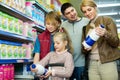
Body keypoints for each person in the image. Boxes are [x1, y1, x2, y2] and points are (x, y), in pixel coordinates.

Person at [80, 0, 120, 80]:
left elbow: (116, 42)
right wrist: (86, 49)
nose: (87, 13)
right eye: (84, 12)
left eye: (89, 9)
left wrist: (106, 33)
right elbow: (83, 49)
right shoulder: (85, 28)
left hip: (107, 62)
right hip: (92, 64)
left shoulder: (107, 20)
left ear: (95, 8)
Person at [61, 2, 89, 80]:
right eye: (68, 13)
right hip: (68, 64)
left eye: (72, 10)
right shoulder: (63, 25)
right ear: (64, 16)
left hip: (82, 64)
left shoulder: (86, 22)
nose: (72, 14)